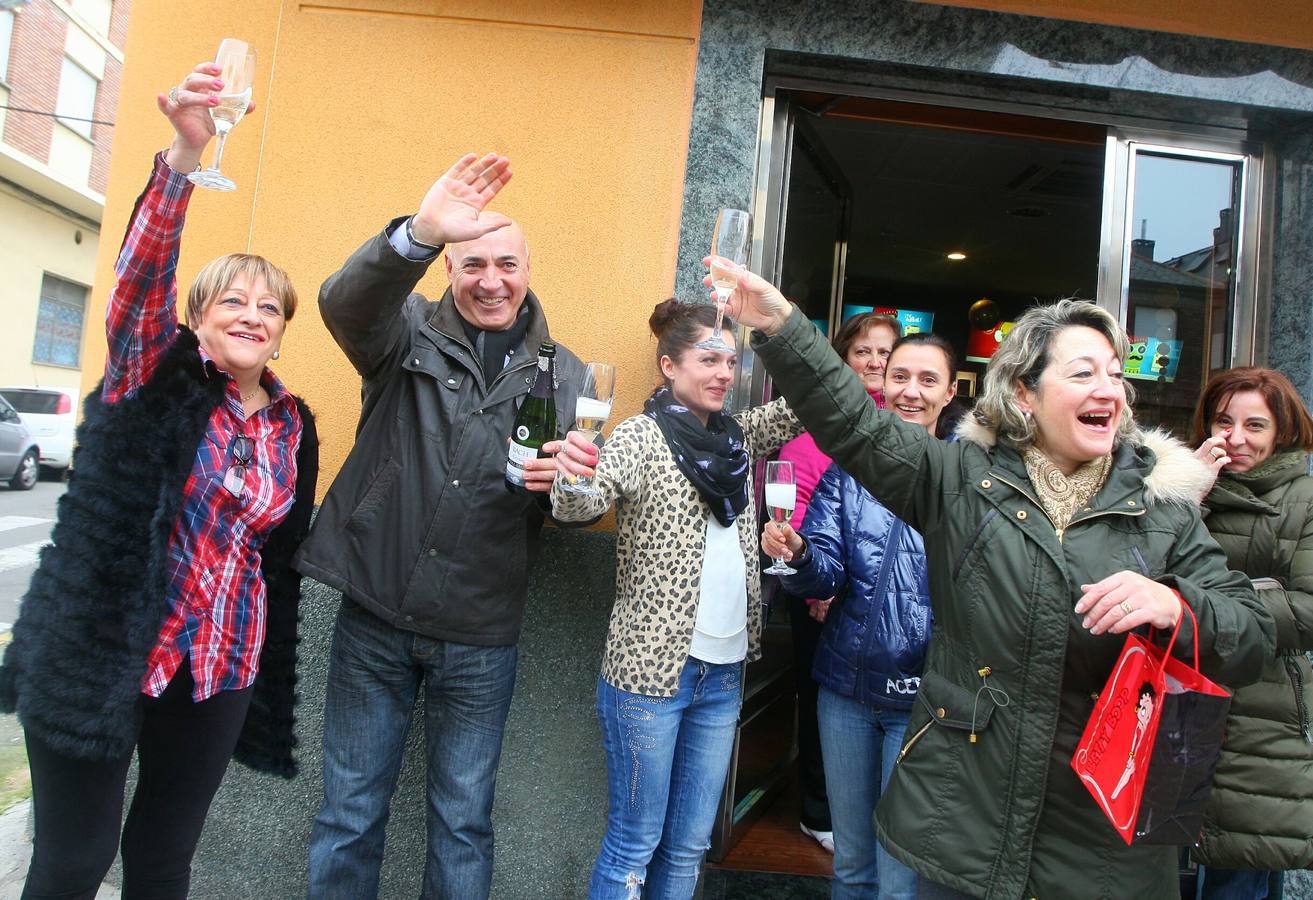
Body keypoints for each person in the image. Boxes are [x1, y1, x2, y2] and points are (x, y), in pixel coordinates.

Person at [713, 265, 1275, 899]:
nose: (1109, 390)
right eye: (1083, 372)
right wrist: (784, 327)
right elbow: (855, 426)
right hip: (966, 827)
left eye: (1116, 374)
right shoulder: (960, 482)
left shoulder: (1161, 508)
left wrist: (1176, 605)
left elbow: (1252, 635)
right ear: (1024, 395)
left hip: (1102, 844)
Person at [0, 62, 319, 900]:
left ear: (282, 332)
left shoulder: (293, 423)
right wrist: (183, 159)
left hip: (218, 668)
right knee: (73, 861)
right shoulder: (152, 372)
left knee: (164, 860)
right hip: (103, 648)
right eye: (231, 303)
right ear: (197, 319)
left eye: (269, 308)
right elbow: (139, 281)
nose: (251, 316)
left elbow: (274, 551)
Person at [294, 152, 587, 899]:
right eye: (472, 263)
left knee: (463, 824)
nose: (491, 280)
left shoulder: (567, 375)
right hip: (374, 609)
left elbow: (573, 502)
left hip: (480, 631)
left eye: (506, 263)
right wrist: (419, 233)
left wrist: (572, 488)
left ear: (529, 267)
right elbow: (342, 304)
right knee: (349, 813)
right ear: (449, 269)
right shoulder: (406, 332)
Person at [551, 300, 800, 899]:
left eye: (730, 361)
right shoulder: (642, 436)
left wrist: (775, 323)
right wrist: (573, 470)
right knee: (636, 839)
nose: (723, 373)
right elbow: (575, 509)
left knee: (689, 845)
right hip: (651, 675)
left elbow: (806, 405)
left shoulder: (737, 438)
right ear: (668, 365)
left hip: (723, 674)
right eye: (708, 359)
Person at [765, 332, 956, 900]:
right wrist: (799, 554)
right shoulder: (848, 473)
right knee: (850, 864)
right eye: (900, 377)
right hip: (846, 691)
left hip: (923, 701)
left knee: (900, 875)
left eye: (927, 380)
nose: (911, 391)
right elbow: (827, 573)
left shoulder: (969, 478)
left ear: (949, 393)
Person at [1187, 366, 1313, 900]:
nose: (1235, 439)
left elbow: (1307, 610)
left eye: (1255, 426)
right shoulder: (1186, 482)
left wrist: (1206, 602)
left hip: (1264, 708)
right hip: (1182, 695)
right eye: (1223, 422)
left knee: (1245, 862)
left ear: (1282, 431)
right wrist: (1185, 495)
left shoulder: (1303, 497)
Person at [777, 311, 900, 854]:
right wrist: (822, 585)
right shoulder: (817, 424)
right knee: (823, 702)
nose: (874, 362)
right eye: (862, 352)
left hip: (885, 603)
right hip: (821, 594)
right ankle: (818, 810)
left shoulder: (906, 429)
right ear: (842, 360)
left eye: (885, 354)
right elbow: (796, 507)